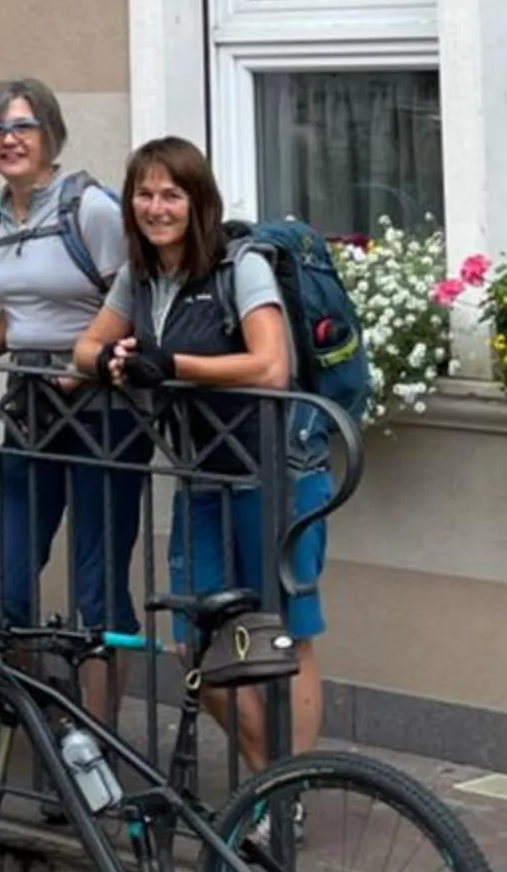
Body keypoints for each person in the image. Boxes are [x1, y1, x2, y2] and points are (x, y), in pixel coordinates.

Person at [71, 135, 331, 766]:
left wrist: (174, 363)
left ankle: (284, 791)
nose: (156, 207)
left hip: (274, 468)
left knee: (284, 634)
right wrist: (111, 358)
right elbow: (85, 348)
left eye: (171, 194)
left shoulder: (237, 267)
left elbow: (271, 366)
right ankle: (267, 775)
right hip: (202, 472)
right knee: (197, 641)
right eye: (144, 193)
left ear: (197, 201)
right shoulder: (141, 276)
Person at [0, 77, 146, 720]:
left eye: (22, 127)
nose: (8, 139)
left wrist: (91, 362)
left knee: (97, 588)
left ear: (51, 134)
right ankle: (41, 719)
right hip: (31, 404)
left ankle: (96, 739)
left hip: (103, 411)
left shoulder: (90, 209)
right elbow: (15, 307)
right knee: (4, 586)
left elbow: (135, 301)